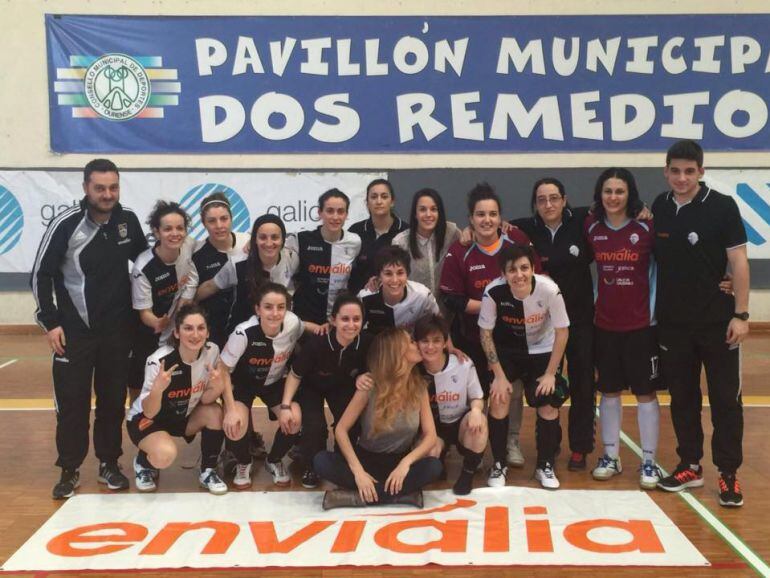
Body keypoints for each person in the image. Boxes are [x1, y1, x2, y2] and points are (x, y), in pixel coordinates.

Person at [31, 158, 147, 499]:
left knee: (112, 402)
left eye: (113, 187)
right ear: (85, 188)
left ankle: (109, 464)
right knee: (73, 404)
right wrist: (50, 323)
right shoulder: (66, 226)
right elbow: (41, 275)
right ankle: (69, 469)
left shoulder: (127, 221)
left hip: (117, 333)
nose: (107, 194)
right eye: (100, 188)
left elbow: (147, 263)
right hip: (74, 334)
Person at [653, 140, 749, 507]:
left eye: (689, 171)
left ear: (701, 172)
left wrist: (741, 314)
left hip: (719, 323)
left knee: (726, 400)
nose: (681, 178)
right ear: (666, 171)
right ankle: (689, 465)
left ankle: (728, 474)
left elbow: (738, 262)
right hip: (674, 325)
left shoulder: (722, 207)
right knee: (683, 398)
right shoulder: (660, 207)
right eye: (675, 171)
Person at [440, 183, 538, 468]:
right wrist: (491, 306)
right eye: (480, 214)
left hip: (512, 336)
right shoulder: (461, 251)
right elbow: (452, 298)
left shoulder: (516, 241)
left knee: (511, 389)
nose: (487, 220)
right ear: (470, 218)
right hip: (472, 336)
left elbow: (533, 283)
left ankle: (511, 441)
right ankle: (478, 446)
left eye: (493, 214)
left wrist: (502, 307)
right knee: (479, 393)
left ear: (500, 218)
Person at [509, 178, 595, 472]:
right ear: (535, 203)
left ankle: (581, 448)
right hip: (546, 327)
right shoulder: (526, 230)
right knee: (548, 387)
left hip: (581, 320)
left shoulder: (582, 221)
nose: (548, 204)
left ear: (564, 199)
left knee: (584, 383)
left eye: (554, 198)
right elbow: (494, 225)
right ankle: (550, 444)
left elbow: (618, 206)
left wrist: (642, 209)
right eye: (542, 199)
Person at [585, 168, 663, 490]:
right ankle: (611, 456)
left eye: (619, 191)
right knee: (609, 391)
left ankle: (648, 460)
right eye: (607, 191)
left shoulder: (647, 225)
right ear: (599, 195)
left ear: (630, 193)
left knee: (645, 393)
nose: (613, 197)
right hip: (604, 324)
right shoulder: (591, 226)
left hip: (642, 325)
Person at [314, 327, 443, 508]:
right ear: (397, 352)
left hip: (399, 461)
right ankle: (397, 496)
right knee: (321, 461)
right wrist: (358, 472)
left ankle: (355, 498)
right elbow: (341, 430)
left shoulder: (420, 386)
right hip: (366, 458)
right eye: (412, 342)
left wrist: (406, 463)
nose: (417, 345)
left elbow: (430, 436)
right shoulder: (370, 385)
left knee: (434, 466)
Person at [478, 245, 569, 489]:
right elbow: (485, 334)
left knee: (548, 404)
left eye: (524, 268)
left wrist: (551, 373)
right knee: (499, 398)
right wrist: (498, 375)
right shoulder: (493, 292)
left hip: (543, 351)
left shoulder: (549, 289)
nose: (519, 275)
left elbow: (562, 332)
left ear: (533, 268)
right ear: (503, 273)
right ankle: (499, 464)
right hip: (509, 352)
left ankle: (545, 465)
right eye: (512, 270)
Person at [127, 304, 229, 494]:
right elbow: (148, 411)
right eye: (188, 328)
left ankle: (208, 471)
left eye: (201, 328)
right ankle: (143, 463)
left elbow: (206, 399)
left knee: (215, 412)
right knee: (165, 455)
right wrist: (158, 389)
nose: (195, 334)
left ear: (207, 332)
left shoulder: (212, 352)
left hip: (182, 415)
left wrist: (219, 385)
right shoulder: (158, 361)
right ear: (176, 333)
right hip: (147, 420)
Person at [280, 293, 372, 489]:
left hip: (342, 386)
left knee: (350, 423)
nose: (351, 324)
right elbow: (295, 375)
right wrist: (286, 405)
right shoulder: (317, 343)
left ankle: (342, 461)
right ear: (333, 320)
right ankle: (311, 465)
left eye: (356, 319)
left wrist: (364, 376)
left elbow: (375, 367)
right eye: (345, 319)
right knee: (314, 426)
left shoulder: (366, 343)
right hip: (312, 387)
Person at [220, 283, 306, 488]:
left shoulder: (293, 322)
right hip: (244, 385)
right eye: (268, 307)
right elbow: (222, 370)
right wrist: (230, 409)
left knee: (294, 419)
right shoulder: (243, 333)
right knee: (235, 424)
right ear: (258, 309)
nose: (275, 313)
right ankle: (243, 461)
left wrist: (324, 328)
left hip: (274, 383)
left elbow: (305, 327)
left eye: (281, 307)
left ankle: (274, 459)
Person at [130, 201, 198, 398]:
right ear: (156, 232)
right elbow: (145, 314)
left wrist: (183, 307)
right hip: (148, 332)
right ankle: (136, 421)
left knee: (175, 382)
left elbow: (216, 244)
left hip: (175, 327)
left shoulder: (188, 245)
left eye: (180, 228)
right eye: (168, 229)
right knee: (141, 383)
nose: (175, 233)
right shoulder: (143, 267)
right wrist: (159, 323)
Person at [196, 213, 301, 335]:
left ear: (283, 239)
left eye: (274, 237)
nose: (268, 243)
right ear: (254, 239)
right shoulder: (237, 263)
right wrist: (188, 305)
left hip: (278, 328)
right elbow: (210, 286)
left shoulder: (292, 258)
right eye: (262, 237)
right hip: (242, 331)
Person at [416, 315, 487, 495]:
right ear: (416, 343)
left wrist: (477, 410)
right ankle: (439, 459)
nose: (430, 347)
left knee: (479, 423)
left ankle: (467, 474)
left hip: (458, 423)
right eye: (424, 341)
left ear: (445, 342)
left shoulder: (463, 364)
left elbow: (477, 396)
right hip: (431, 429)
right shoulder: (412, 370)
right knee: (430, 458)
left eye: (436, 341)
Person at [286, 189, 362, 325]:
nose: (335, 217)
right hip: (306, 318)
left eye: (340, 211)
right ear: (320, 213)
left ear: (346, 214)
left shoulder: (355, 242)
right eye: (330, 210)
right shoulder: (301, 239)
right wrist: (252, 242)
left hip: (339, 320)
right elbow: (274, 249)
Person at [191, 192, 250, 348]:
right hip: (213, 330)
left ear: (231, 218)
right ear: (203, 223)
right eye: (212, 221)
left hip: (247, 326)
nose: (219, 226)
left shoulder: (249, 242)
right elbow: (193, 297)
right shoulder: (196, 254)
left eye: (224, 219)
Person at [392, 188, 461, 310]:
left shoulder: (452, 232)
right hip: (413, 312)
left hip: (447, 312)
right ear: (415, 214)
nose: (428, 214)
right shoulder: (401, 242)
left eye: (434, 209)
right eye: (423, 209)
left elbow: (472, 237)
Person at [357, 246, 440, 335]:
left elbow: (439, 324)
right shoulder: (365, 297)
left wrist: (450, 347)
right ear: (379, 275)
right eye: (388, 273)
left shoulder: (423, 295)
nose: (395, 280)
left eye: (400, 273)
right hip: (377, 346)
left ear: (407, 273)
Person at [348, 178, 409, 294]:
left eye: (384, 196)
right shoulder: (355, 231)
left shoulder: (406, 231)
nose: (379, 201)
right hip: (360, 302)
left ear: (392, 202)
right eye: (374, 197)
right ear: (367, 203)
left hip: (396, 300)